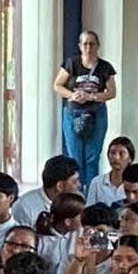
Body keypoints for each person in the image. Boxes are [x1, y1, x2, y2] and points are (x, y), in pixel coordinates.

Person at [55, 30, 118, 186]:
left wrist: (92, 96)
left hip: (96, 113)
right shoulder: (71, 63)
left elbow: (112, 92)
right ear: (80, 46)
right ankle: (75, 190)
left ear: (98, 46)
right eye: (85, 44)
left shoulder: (105, 67)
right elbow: (57, 85)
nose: (88, 47)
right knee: (74, 156)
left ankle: (91, 190)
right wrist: (72, 95)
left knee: (92, 156)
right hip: (73, 113)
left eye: (92, 44)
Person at [11, 155, 82, 228]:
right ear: (59, 186)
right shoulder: (25, 207)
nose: (79, 185)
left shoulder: (77, 200)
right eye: (75, 181)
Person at [87, 137, 136, 208]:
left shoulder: (135, 184)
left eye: (121, 153)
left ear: (130, 159)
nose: (116, 157)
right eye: (112, 153)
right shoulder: (97, 182)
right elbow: (89, 210)